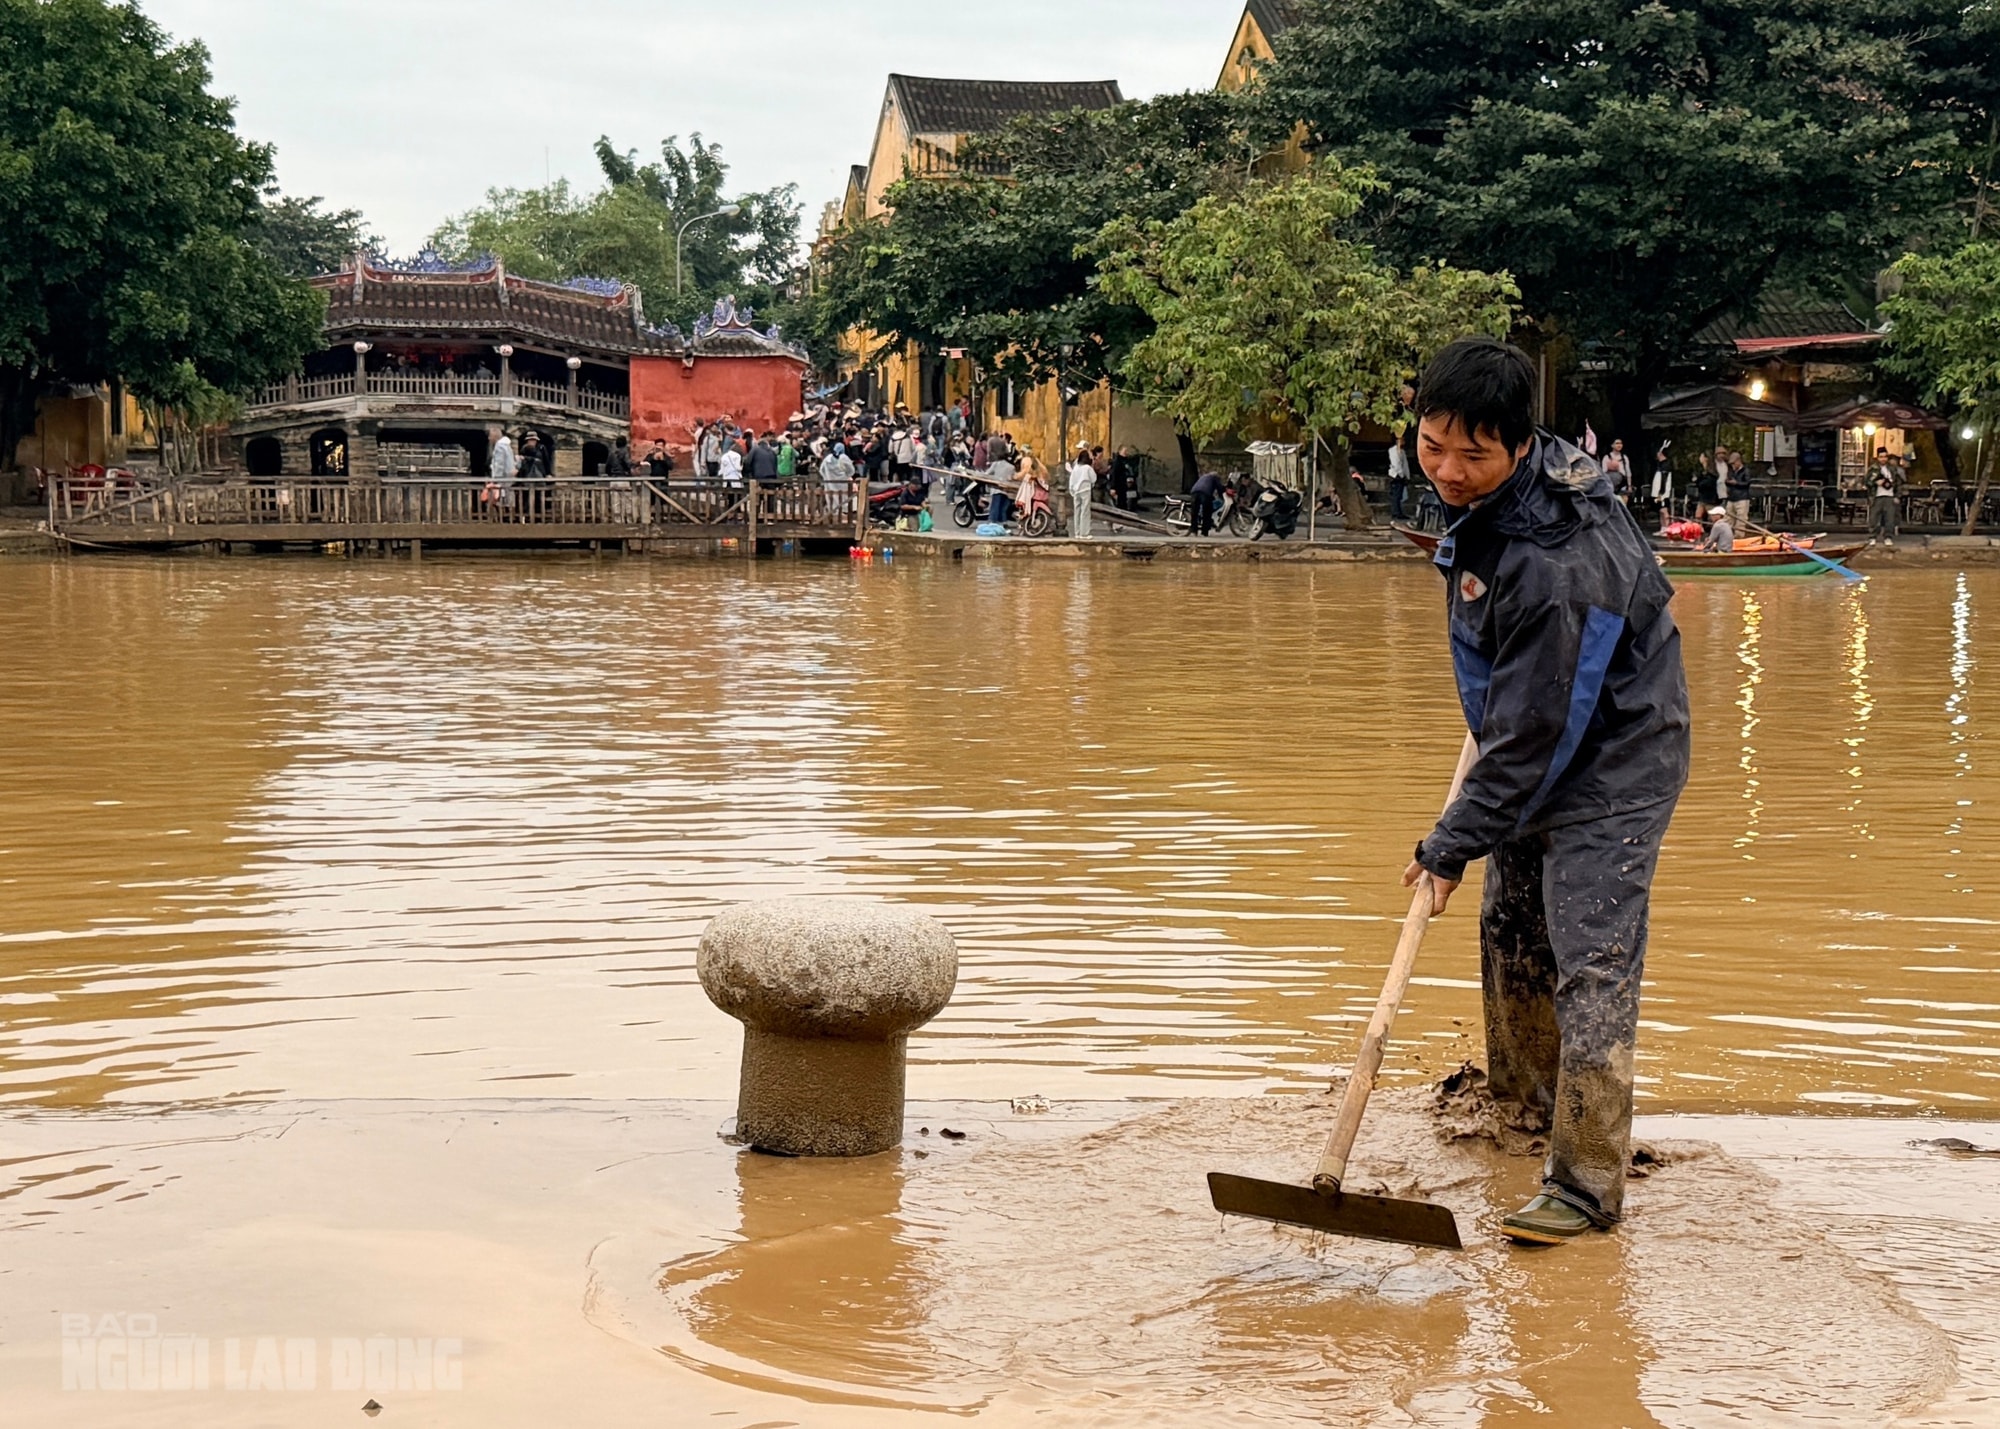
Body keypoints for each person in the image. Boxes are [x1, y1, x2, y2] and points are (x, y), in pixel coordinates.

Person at [1403, 336, 1689, 1247]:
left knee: (1590, 952)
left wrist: (1449, 843)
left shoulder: (1560, 561)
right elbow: (1524, 711)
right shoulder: (1506, 490)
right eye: (1433, 445)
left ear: (1520, 446)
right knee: (1512, 926)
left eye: (1473, 454)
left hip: (1617, 757)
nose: (1448, 470)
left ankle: (1586, 1182)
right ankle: (1523, 1107)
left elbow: (1536, 736)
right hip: (1538, 725)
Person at [1869, 448, 1900, 546]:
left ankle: (1888, 537)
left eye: (1885, 457)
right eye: (1881, 457)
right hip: (1877, 496)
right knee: (1874, 518)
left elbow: (1898, 483)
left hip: (1890, 496)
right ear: (1877, 458)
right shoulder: (1873, 469)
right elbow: (1866, 482)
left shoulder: (1892, 469)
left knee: (1889, 518)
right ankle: (1872, 537)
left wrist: (1897, 496)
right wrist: (1875, 482)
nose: (1883, 459)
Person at [1068, 444, 1096, 538]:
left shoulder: (1076, 467)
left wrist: (1072, 489)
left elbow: (1072, 479)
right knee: (1085, 511)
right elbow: (1093, 478)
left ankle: (1077, 532)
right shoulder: (1087, 468)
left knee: (1077, 511)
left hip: (1076, 491)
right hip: (1085, 490)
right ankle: (1084, 533)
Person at [1724, 450, 1752, 532]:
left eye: (1734, 463)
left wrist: (1736, 483)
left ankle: (1739, 536)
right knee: (1728, 518)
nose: (1732, 465)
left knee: (1741, 519)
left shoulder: (1746, 471)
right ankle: (1727, 534)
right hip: (1731, 497)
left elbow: (1747, 483)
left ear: (1738, 461)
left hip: (1742, 498)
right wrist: (1727, 482)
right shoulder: (1731, 471)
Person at [1648, 441, 1674, 528]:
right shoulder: (1660, 464)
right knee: (1660, 509)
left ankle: (1667, 527)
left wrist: (1661, 492)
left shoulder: (1666, 465)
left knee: (1664, 509)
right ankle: (1663, 527)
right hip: (1658, 491)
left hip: (1663, 492)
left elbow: (1664, 479)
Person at [1189, 468, 1221, 536]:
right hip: (1205, 493)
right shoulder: (1214, 478)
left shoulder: (1203, 476)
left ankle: (1194, 530)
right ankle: (1204, 531)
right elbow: (1219, 488)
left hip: (1194, 492)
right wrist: (1222, 495)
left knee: (1194, 512)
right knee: (1207, 512)